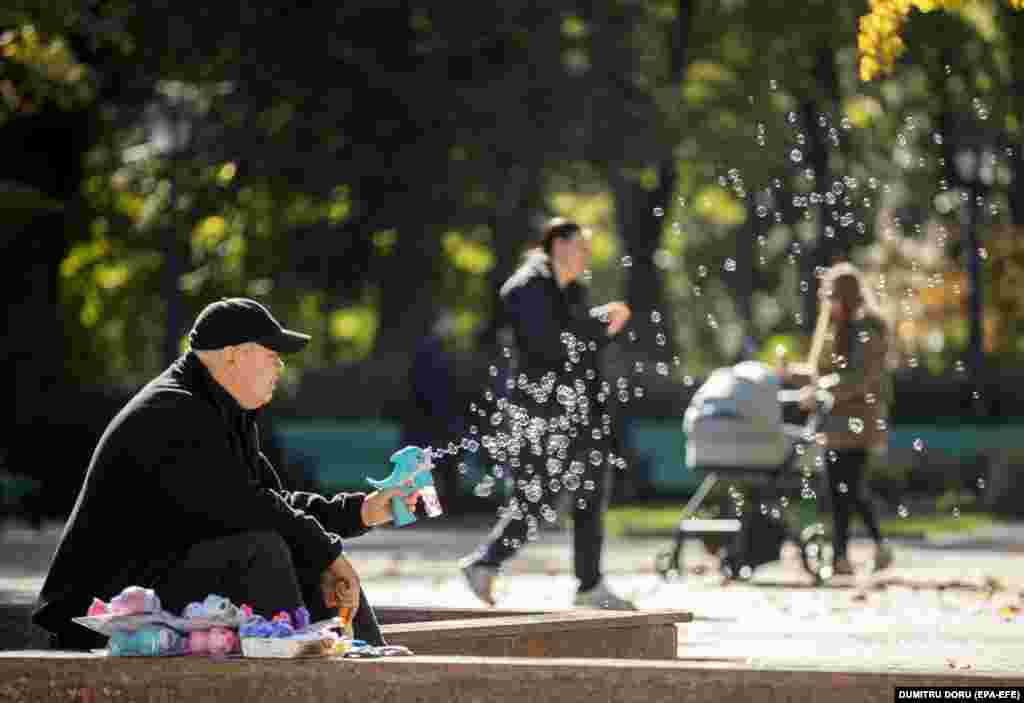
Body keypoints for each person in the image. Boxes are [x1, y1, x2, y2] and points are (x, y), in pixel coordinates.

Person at [32, 298, 420, 650]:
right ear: (234, 355)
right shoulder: (171, 411)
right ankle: (302, 677)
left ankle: (370, 660)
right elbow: (250, 506)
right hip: (100, 607)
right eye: (273, 354)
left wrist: (363, 511)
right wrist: (331, 554)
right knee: (265, 550)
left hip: (159, 579)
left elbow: (272, 502)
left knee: (297, 547)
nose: (281, 366)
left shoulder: (222, 410)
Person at [460, 218, 635, 609]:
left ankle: (589, 584)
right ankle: (485, 563)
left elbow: (580, 348)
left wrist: (602, 328)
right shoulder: (526, 287)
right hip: (539, 411)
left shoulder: (573, 291)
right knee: (539, 499)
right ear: (559, 245)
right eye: (582, 247)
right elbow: (551, 345)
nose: (587, 256)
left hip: (574, 410)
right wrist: (598, 324)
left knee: (591, 488)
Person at [783, 263, 894, 576]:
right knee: (841, 488)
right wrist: (791, 372)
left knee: (848, 487)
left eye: (832, 297)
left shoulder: (867, 328)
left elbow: (861, 378)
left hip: (858, 420)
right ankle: (852, 552)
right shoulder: (840, 328)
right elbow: (825, 372)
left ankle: (850, 552)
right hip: (836, 422)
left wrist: (821, 388)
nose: (827, 304)